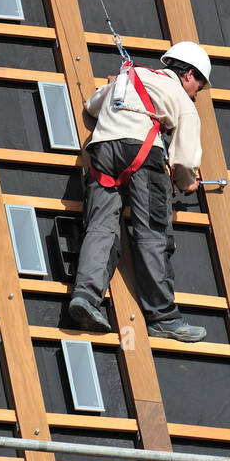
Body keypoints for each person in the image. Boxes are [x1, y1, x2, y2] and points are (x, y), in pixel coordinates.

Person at [69, 41, 211, 341]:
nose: (197, 93)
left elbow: (92, 105)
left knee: (100, 227)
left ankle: (85, 297)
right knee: (152, 232)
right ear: (187, 75)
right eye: (199, 83)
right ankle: (163, 317)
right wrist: (188, 184)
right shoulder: (183, 102)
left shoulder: (127, 76)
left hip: (101, 152)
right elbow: (185, 160)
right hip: (143, 155)